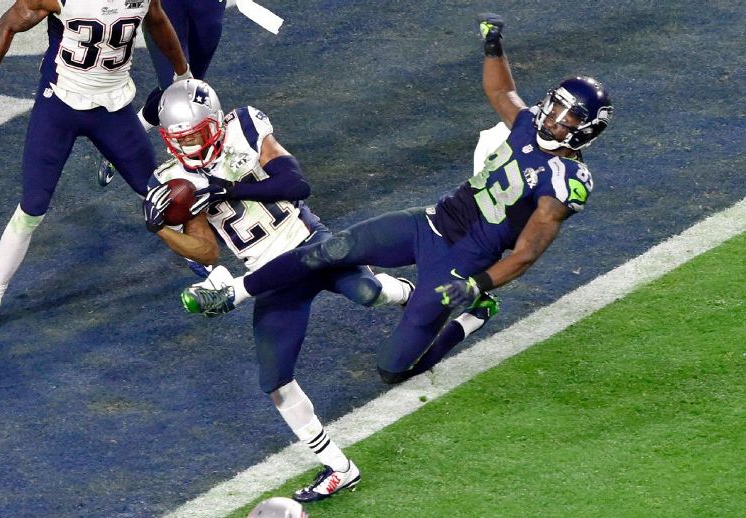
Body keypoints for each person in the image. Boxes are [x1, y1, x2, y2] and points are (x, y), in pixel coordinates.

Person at [181, 13, 614, 385]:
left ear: (587, 130)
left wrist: (475, 286)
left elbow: (526, 254)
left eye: (568, 117)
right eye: (555, 106)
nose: (553, 118)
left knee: (392, 370)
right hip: (431, 221)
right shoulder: (528, 123)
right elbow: (502, 93)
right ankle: (235, 293)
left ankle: (471, 319)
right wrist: (492, 46)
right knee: (328, 249)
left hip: (462, 261)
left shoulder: (566, 182)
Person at [142, 79, 415, 502]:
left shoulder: (245, 126)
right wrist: (161, 228)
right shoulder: (173, 177)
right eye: (180, 140)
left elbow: (296, 185)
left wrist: (229, 188)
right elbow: (207, 250)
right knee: (275, 380)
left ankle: (413, 295)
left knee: (367, 292)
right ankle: (339, 467)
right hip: (269, 273)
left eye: (196, 135)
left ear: (215, 123)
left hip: (310, 242)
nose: (190, 147)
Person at [0, 0, 190, 340]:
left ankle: (199, 256)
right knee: (32, 207)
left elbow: (157, 21)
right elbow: (6, 25)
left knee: (158, 192)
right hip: (59, 105)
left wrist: (182, 73)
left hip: (113, 107)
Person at [96, 0, 227, 186]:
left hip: (208, 5)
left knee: (191, 87)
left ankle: (121, 141)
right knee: (175, 91)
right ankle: (124, 145)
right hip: (167, 5)